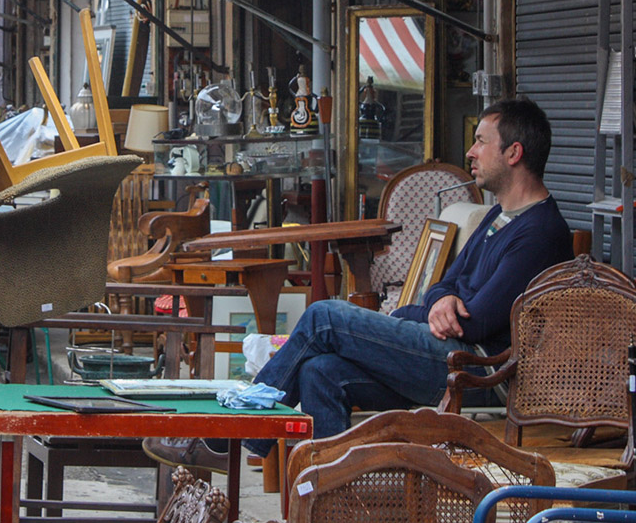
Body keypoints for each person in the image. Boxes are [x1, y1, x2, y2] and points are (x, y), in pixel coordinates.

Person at [143, 96, 574, 470]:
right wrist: (443, 300)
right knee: (319, 371)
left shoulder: (539, 232)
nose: (471, 150)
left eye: (481, 141)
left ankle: (228, 442)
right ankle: (334, 506)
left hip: (478, 372)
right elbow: (444, 286)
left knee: (323, 317)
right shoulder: (499, 215)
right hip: (446, 351)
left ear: (514, 152)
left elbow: (476, 323)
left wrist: (446, 304)